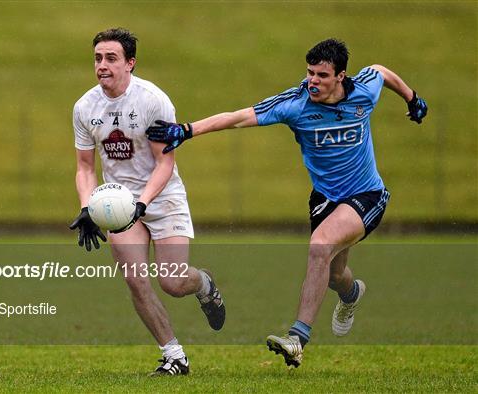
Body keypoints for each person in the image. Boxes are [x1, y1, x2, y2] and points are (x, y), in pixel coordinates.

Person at [146, 38, 427, 367]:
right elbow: (238, 117)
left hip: (367, 195)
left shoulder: (364, 90)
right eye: (310, 73)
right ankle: (352, 295)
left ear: (341, 76)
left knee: (320, 245)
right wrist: (186, 130)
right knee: (335, 275)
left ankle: (297, 338)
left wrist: (412, 98)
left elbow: (381, 71)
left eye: (322, 75)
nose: (313, 82)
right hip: (325, 200)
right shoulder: (295, 103)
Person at [68, 28, 225, 376]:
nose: (102, 65)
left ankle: (204, 285)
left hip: (163, 194)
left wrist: (143, 203)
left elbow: (164, 163)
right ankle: (174, 356)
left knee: (173, 282)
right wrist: (88, 206)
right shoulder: (84, 107)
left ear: (130, 63)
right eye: (98, 58)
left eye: (111, 58)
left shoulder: (152, 101)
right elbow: (84, 166)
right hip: (118, 205)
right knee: (136, 280)